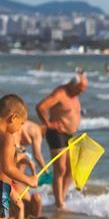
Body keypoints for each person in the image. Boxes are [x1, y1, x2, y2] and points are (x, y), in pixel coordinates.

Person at [35, 75, 87, 209]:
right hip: (56, 134)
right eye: (80, 89)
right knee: (60, 169)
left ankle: (61, 198)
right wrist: (48, 124)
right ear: (73, 85)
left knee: (72, 169)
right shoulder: (60, 94)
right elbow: (41, 107)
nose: (81, 93)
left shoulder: (74, 94)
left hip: (70, 135)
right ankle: (59, 203)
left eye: (83, 90)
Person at [15, 119, 47, 219]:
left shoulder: (23, 126)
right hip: (13, 185)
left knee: (36, 198)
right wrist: (45, 170)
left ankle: (34, 217)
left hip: (17, 184)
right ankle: (32, 217)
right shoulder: (37, 132)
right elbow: (37, 155)